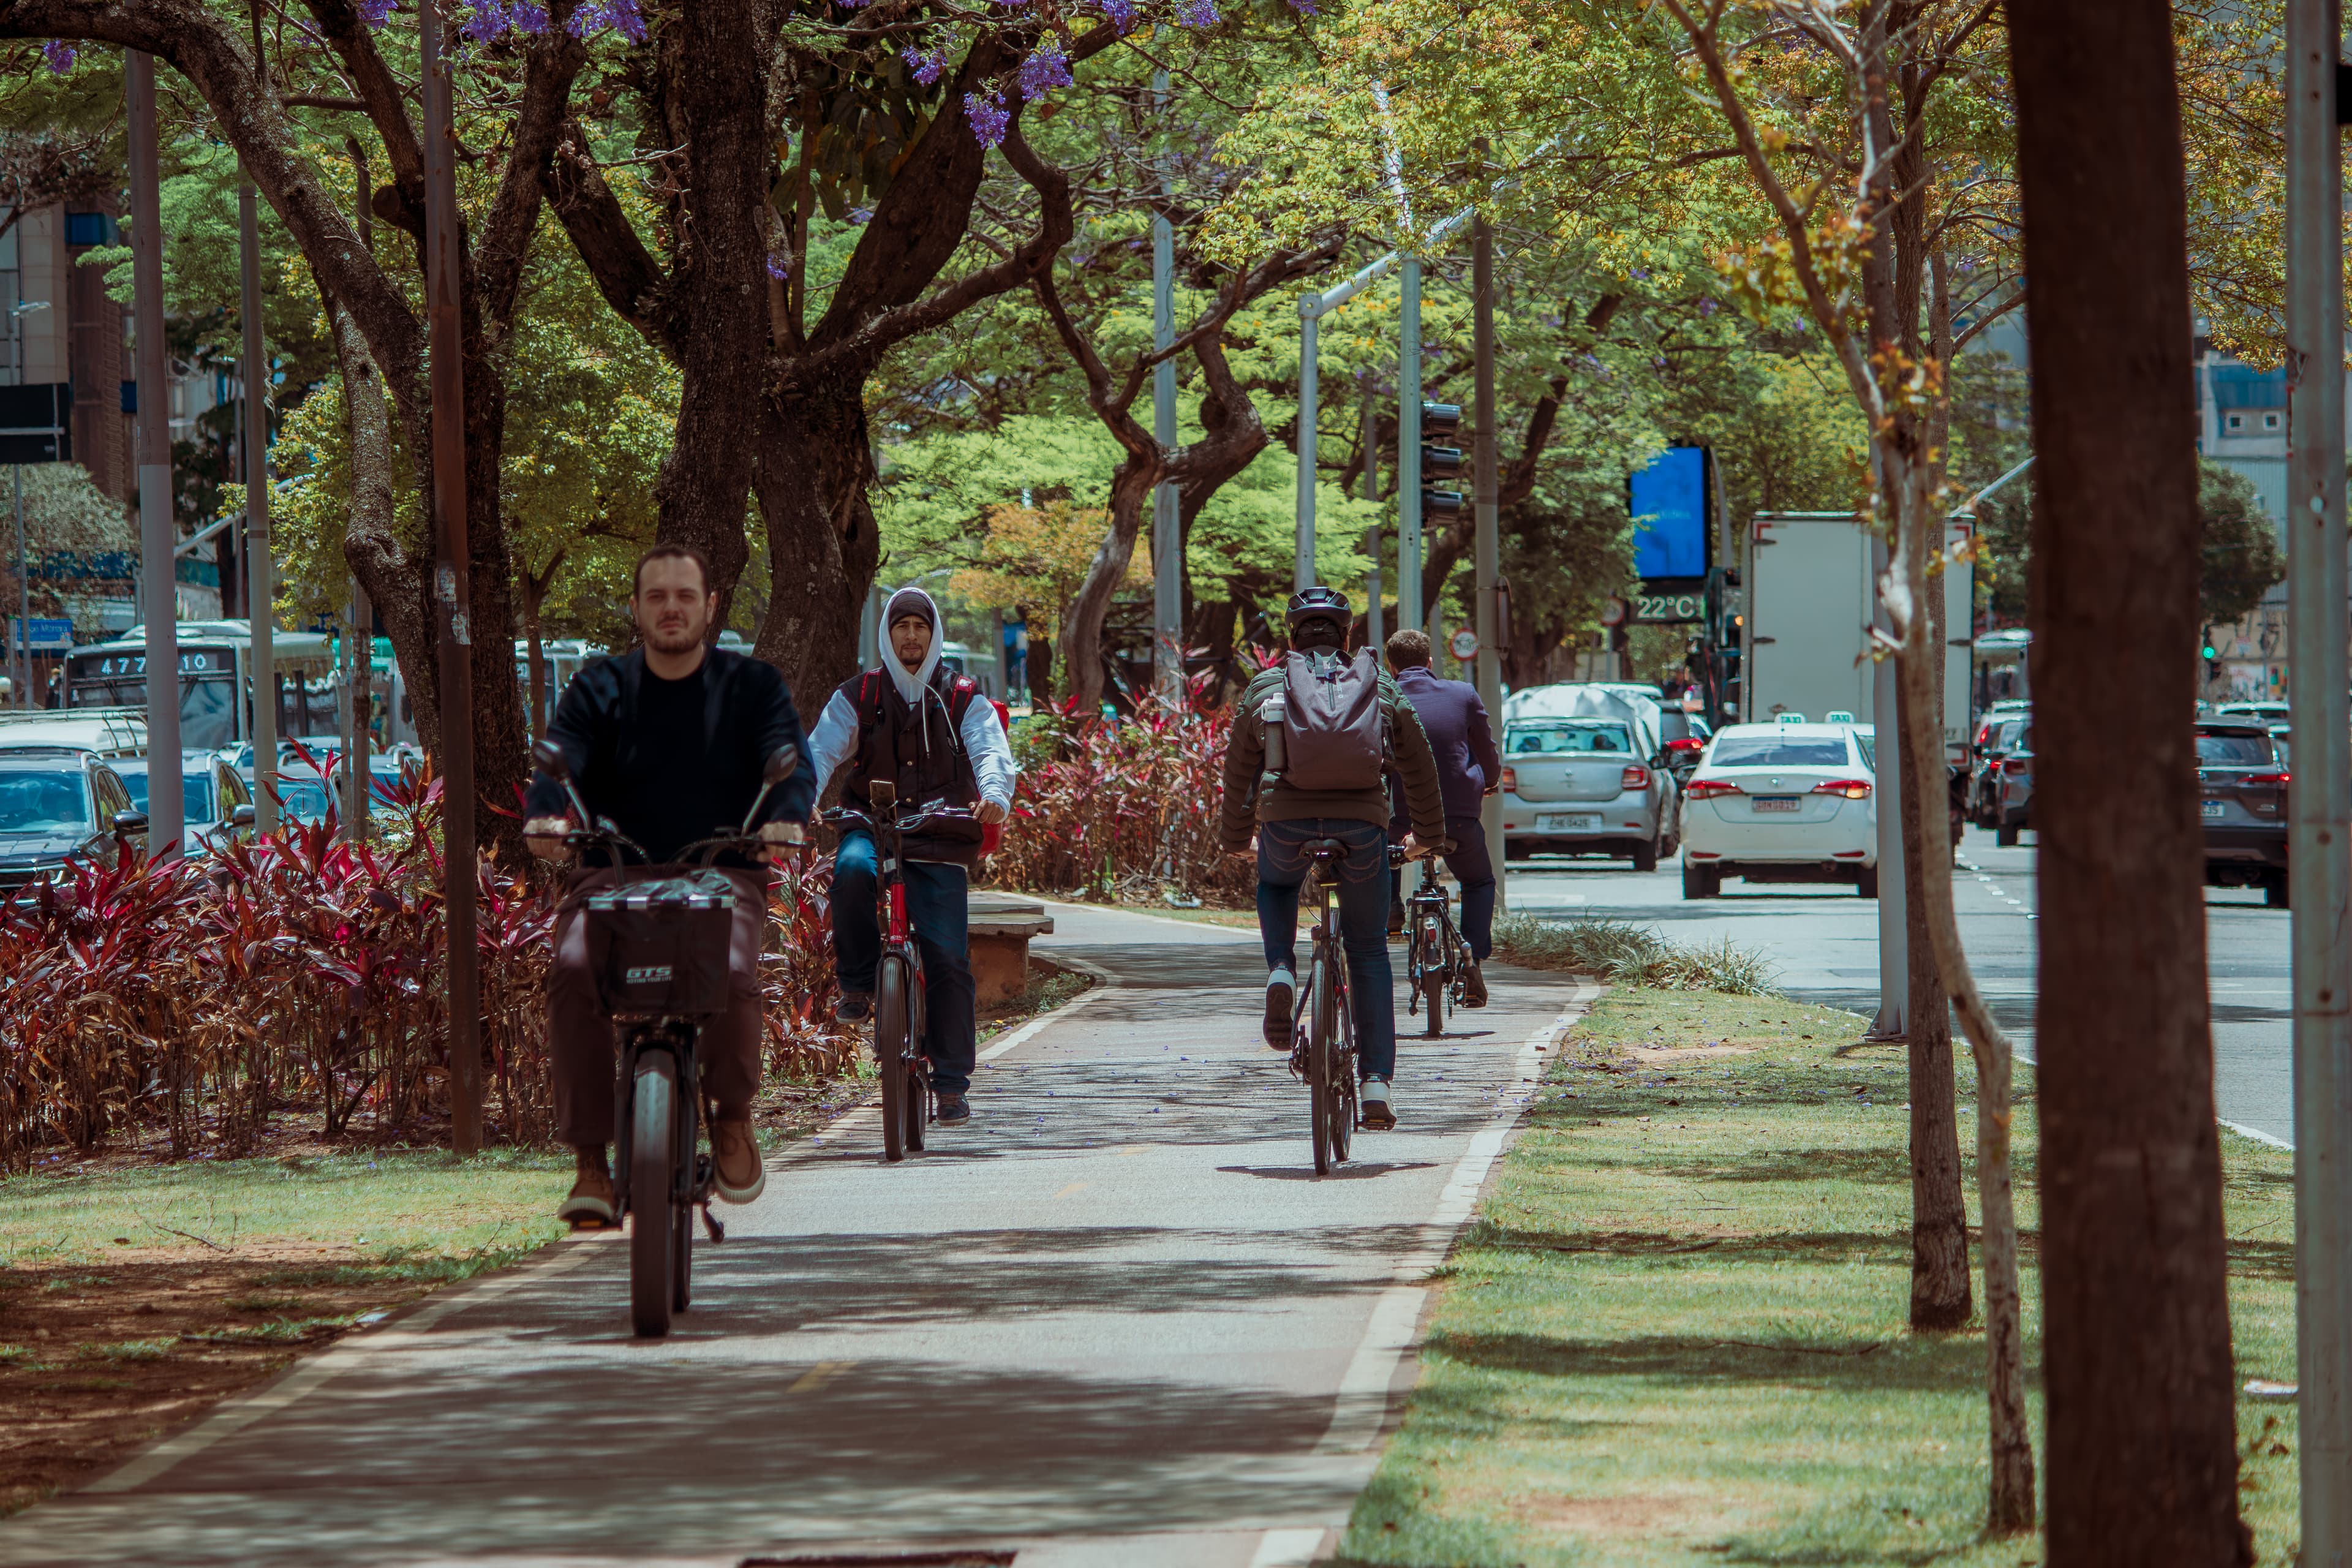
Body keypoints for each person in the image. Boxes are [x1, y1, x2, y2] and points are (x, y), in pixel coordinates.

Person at [522, 543, 815, 1228]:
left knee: (738, 975)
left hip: (723, 873)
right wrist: (546, 813)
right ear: (636, 609)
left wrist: (786, 820)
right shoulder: (599, 686)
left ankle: (734, 1115)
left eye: (686, 595)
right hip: (609, 874)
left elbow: (790, 762)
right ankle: (591, 1162)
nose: (672, 608)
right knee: (569, 973)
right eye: (657, 597)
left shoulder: (755, 686)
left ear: (710, 605)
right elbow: (560, 758)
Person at [1218, 587, 1447, 1129]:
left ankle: (1281, 971)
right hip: (1363, 826)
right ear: (1347, 636)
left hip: (1286, 823)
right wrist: (1428, 836)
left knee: (1277, 886)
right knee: (1368, 950)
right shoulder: (1378, 684)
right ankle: (1374, 1085)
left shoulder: (1267, 686)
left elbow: (1238, 773)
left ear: (1291, 636)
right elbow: (1419, 764)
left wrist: (1234, 838)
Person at [806, 585, 1016, 1128]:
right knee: (850, 871)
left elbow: (990, 748)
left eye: (921, 625)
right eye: (901, 625)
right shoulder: (861, 694)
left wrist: (994, 795)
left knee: (948, 959)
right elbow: (820, 751)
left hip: (941, 833)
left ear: (934, 632)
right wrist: (799, 800)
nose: (911, 635)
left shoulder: (960, 696)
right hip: (870, 827)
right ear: (887, 633)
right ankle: (856, 984)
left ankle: (950, 1085)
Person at [1383, 628, 1502, 1004]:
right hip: (1459, 817)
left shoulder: (1383, 698)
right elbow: (1485, 747)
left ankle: (1390, 912)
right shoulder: (1462, 694)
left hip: (1405, 818)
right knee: (1479, 882)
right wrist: (1491, 780)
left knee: (1384, 857)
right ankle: (1474, 960)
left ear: (1391, 666)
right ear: (1431, 662)